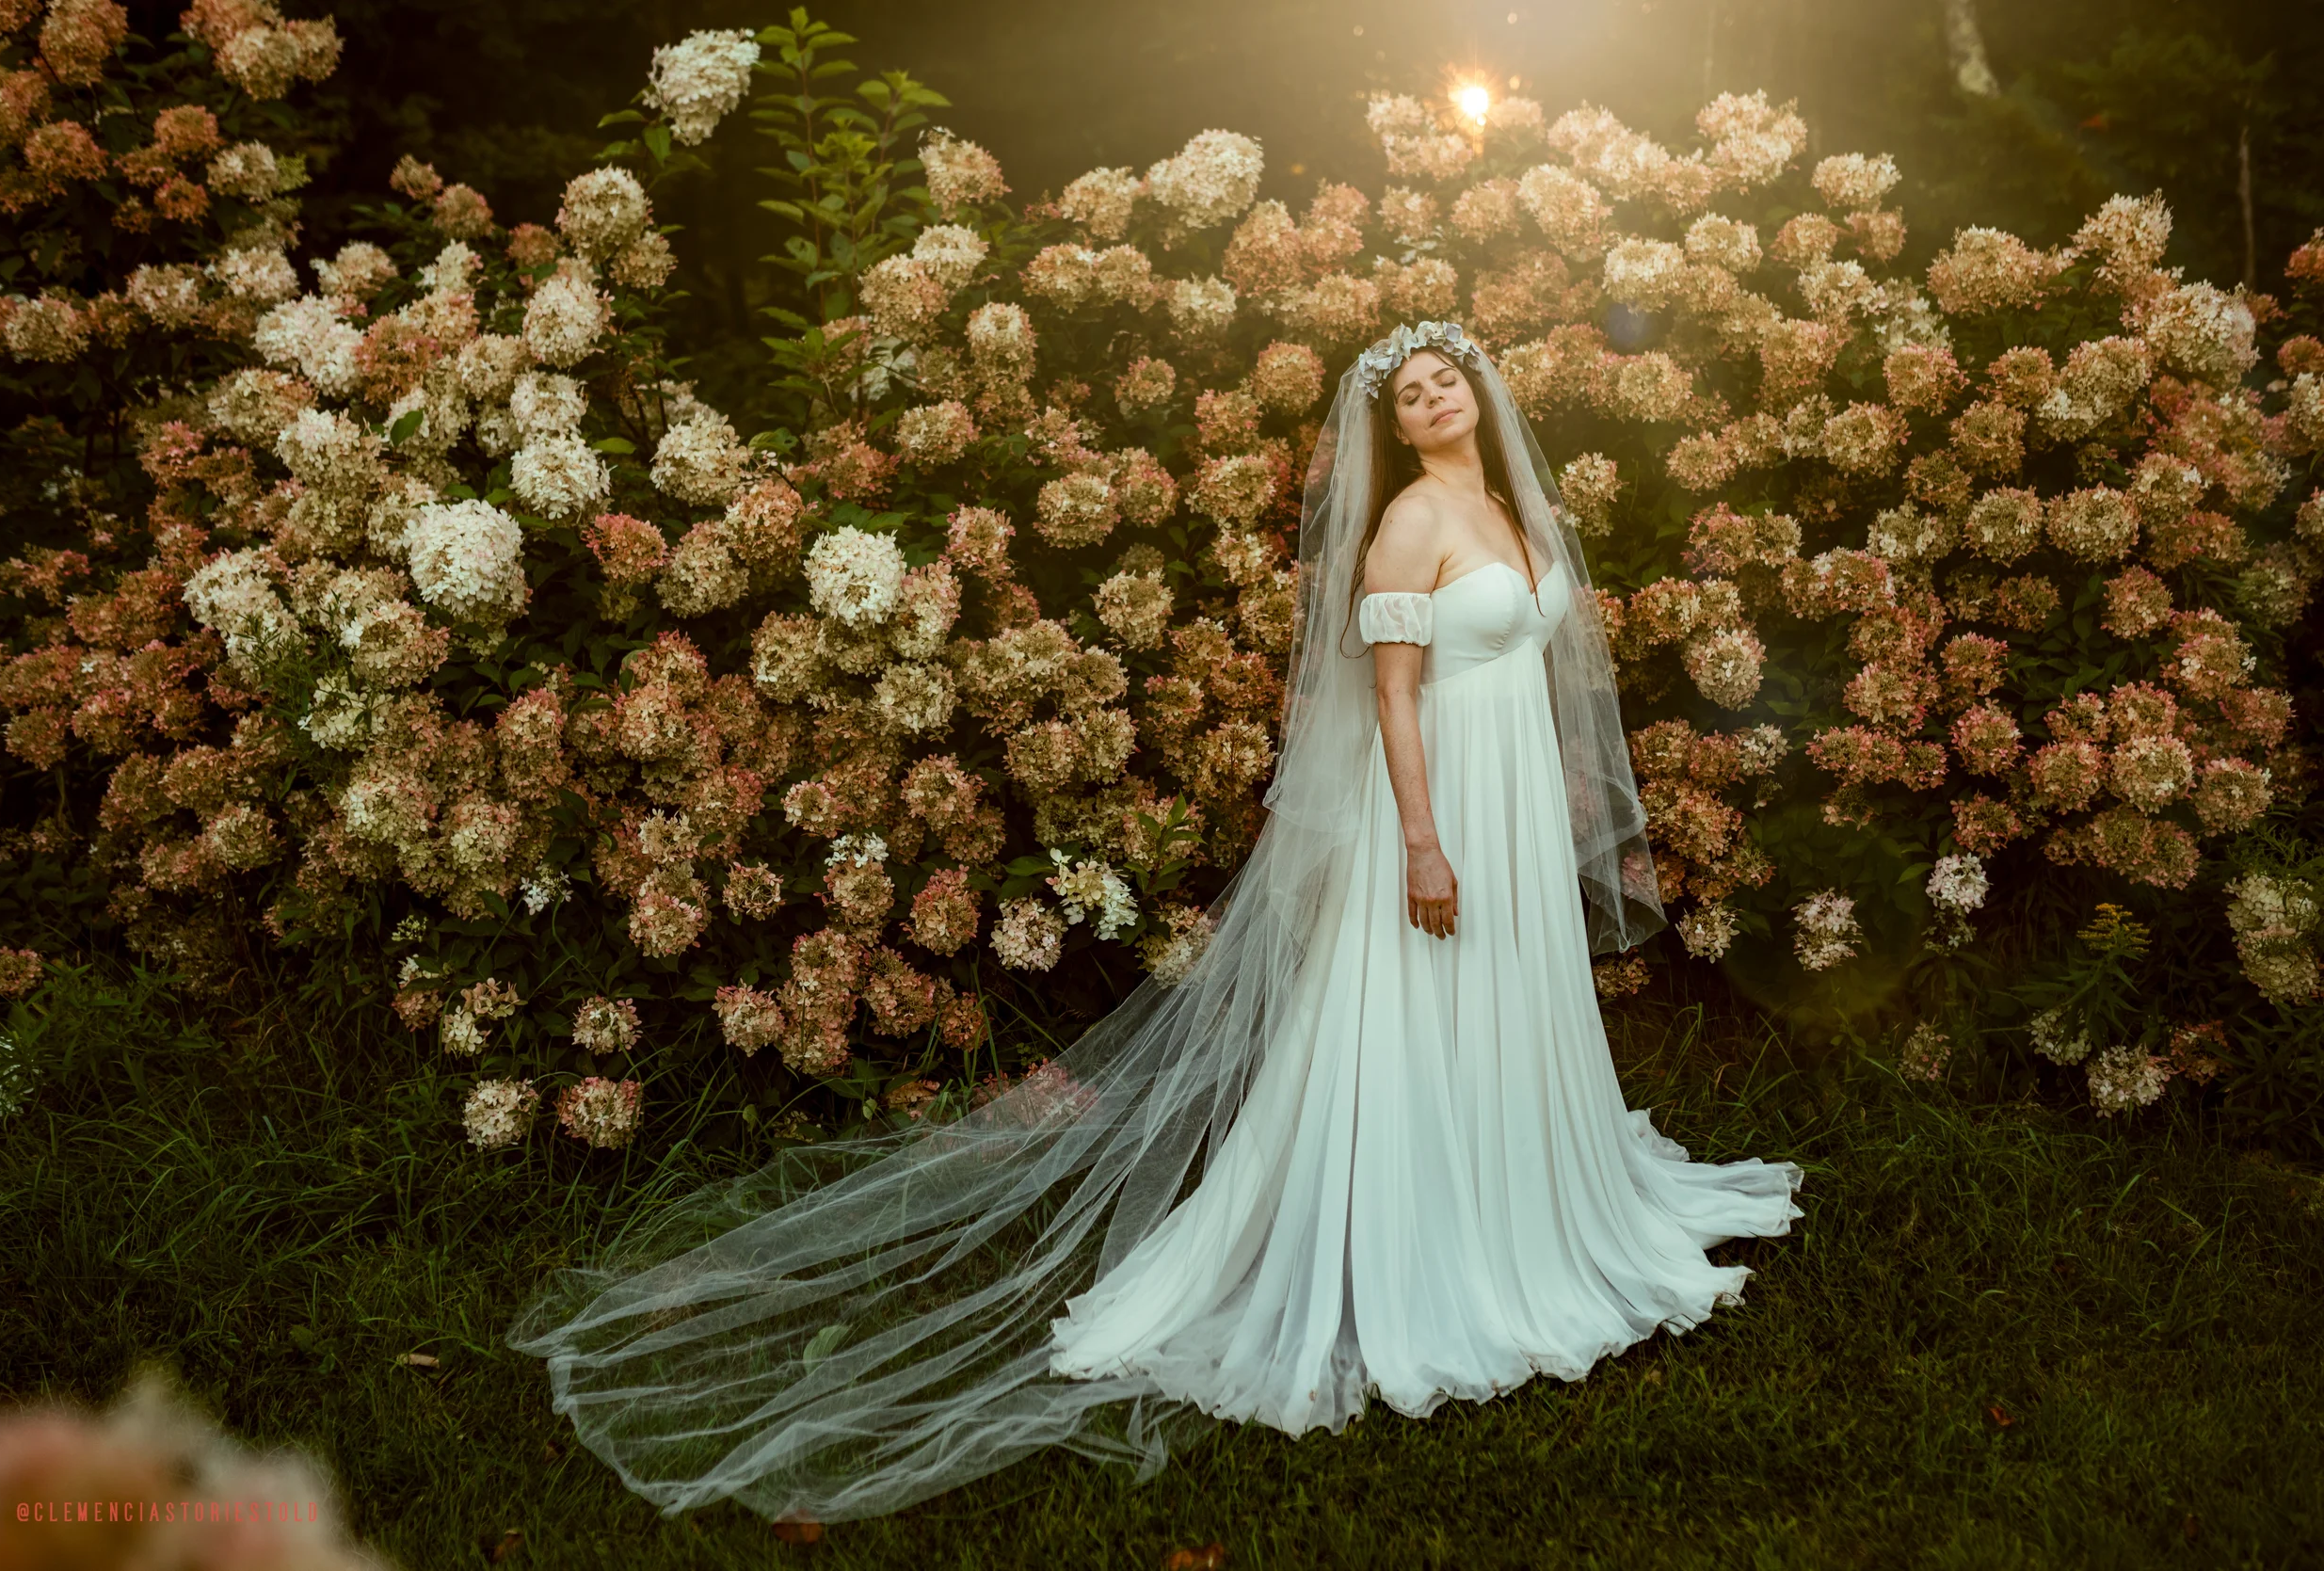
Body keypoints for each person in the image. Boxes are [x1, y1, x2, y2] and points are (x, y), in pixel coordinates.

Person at [504, 320, 1807, 1525]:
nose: (1429, 396)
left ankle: (1532, 1189)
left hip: (1513, 796)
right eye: (1405, 392)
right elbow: (1397, 703)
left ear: (1477, 392)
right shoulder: (1410, 524)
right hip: (1447, 802)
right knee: (1422, 1002)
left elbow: (1523, 660)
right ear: (1394, 426)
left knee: (1512, 995)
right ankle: (1434, 1231)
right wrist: (1421, 840)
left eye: (1442, 378)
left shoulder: (1505, 509)